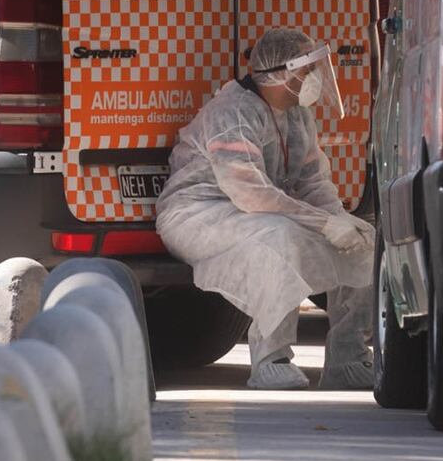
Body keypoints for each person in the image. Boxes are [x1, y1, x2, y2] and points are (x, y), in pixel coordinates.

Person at [155, 28, 376, 390]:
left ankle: (348, 358)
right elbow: (250, 193)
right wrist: (323, 224)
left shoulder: (297, 116)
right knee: (280, 237)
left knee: (364, 242)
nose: (316, 78)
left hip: (258, 214)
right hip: (198, 216)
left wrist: (340, 220)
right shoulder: (232, 112)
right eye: (308, 70)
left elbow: (312, 182)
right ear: (282, 74)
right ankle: (271, 360)